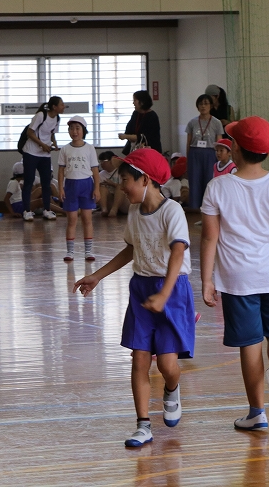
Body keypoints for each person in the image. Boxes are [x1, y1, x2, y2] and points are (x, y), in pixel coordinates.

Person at [74, 149, 195, 448]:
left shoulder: (172, 211)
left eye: (126, 180)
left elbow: (178, 252)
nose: (121, 186)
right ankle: (143, 425)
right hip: (141, 290)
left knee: (167, 365)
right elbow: (132, 249)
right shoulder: (134, 211)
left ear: (145, 179)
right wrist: (97, 276)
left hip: (171, 290)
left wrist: (164, 295)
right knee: (139, 359)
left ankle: (172, 387)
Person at [200, 116, 269, 430]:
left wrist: (206, 279)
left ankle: (256, 412)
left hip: (238, 282)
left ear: (235, 148)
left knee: (250, 344)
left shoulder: (218, 187)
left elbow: (210, 236)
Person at [58, 116, 100, 263]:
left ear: (83, 130)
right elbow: (61, 171)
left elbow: (95, 171)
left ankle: (88, 251)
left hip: (86, 186)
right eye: (71, 128)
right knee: (72, 220)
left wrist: (97, 188)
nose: (74, 131)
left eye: (77, 128)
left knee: (87, 219)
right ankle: (70, 251)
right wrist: (61, 188)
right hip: (70, 186)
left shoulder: (89, 148)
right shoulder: (64, 149)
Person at [21, 96, 64, 221]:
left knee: (46, 183)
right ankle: (27, 211)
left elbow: (51, 134)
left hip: (45, 154)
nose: (63, 106)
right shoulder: (41, 115)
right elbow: (30, 132)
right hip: (31, 152)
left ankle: (47, 210)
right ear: (54, 107)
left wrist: (54, 144)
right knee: (29, 182)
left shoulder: (57, 118)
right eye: (61, 104)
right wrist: (42, 144)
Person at [185, 95, 223, 209]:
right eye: (200, 104)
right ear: (197, 107)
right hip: (195, 153)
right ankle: (195, 207)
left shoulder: (216, 123)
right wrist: (188, 158)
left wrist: (219, 157)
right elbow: (188, 141)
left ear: (211, 106)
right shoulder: (192, 122)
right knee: (194, 180)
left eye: (206, 103)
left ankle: (209, 207)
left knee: (209, 180)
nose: (203, 106)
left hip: (210, 153)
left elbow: (219, 142)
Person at [120, 90, 161, 155]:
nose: (133, 103)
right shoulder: (135, 114)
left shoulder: (152, 116)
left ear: (142, 102)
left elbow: (147, 137)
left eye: (135, 100)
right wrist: (128, 136)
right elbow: (128, 130)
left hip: (150, 152)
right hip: (135, 150)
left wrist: (126, 136)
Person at [98, 151, 129, 217]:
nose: (101, 164)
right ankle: (104, 209)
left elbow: (127, 187)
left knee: (120, 187)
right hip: (110, 201)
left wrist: (112, 184)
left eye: (103, 161)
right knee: (102, 187)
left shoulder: (122, 171)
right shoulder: (100, 175)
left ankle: (114, 210)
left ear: (111, 161)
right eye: (100, 161)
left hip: (124, 202)